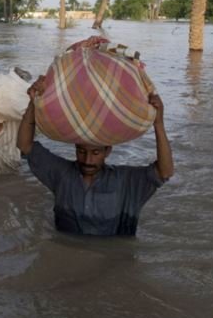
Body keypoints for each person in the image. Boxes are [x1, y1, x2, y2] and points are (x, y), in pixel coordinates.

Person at [17, 75, 174, 236]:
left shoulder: (126, 182)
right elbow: (25, 146)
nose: (88, 160)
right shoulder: (61, 175)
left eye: (96, 153)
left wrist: (158, 123)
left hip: (112, 259)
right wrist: (33, 103)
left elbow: (165, 172)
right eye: (82, 151)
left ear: (108, 151)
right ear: (75, 148)